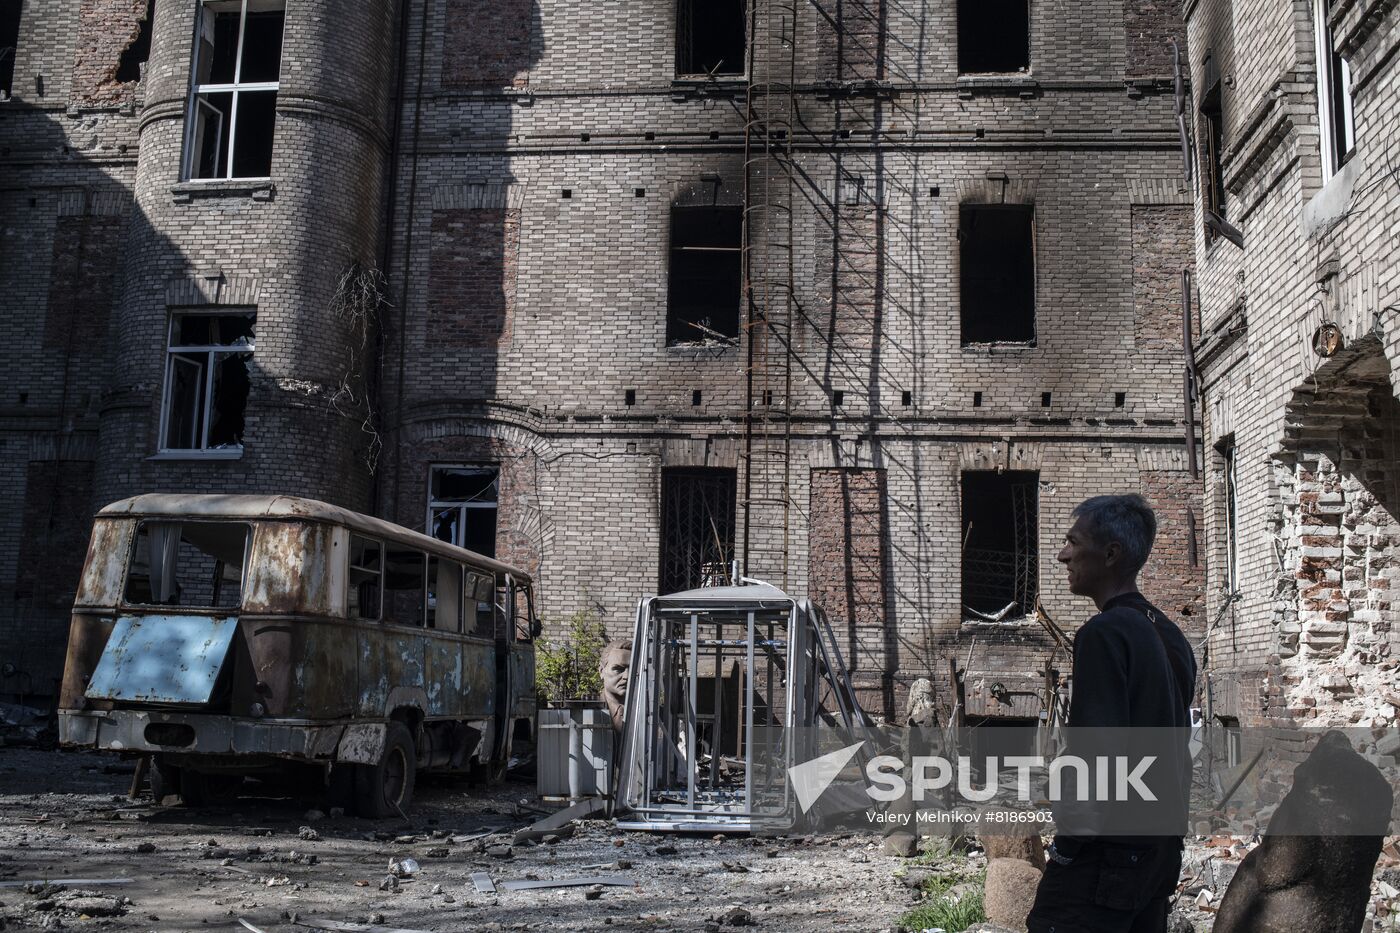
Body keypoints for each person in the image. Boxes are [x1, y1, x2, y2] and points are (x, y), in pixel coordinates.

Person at [1027, 495, 1197, 933]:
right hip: (1158, 851)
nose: (1063, 554)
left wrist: (1069, 847)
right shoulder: (1169, 633)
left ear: (1111, 554)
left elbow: (1097, 751)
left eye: (1072, 542)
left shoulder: (1105, 633)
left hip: (1108, 855)